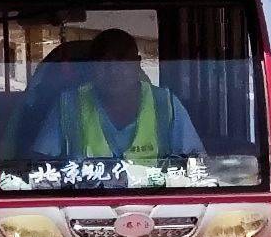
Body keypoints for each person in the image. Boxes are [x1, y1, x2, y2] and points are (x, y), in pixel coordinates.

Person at [19, 26, 205, 176]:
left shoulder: (166, 103)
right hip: (84, 207)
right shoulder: (69, 105)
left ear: (137, 64)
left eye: (122, 61)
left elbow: (196, 163)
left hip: (158, 208)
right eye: (104, 63)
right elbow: (40, 165)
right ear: (91, 68)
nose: (114, 71)